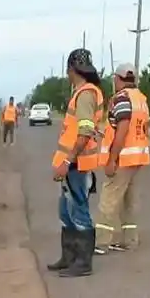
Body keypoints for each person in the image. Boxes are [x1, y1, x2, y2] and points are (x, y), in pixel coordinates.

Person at [47, 48, 105, 277]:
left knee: (79, 212)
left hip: (77, 164)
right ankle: (69, 256)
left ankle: (83, 262)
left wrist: (67, 161)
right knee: (66, 212)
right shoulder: (81, 93)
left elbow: (84, 132)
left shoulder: (85, 95)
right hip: (72, 164)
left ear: (72, 69)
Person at [94, 63, 150, 254]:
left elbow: (123, 129)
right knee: (128, 201)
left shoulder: (122, 98)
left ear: (118, 79)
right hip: (137, 157)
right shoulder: (140, 98)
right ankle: (130, 240)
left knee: (109, 199)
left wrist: (112, 159)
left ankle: (101, 242)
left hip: (123, 158)